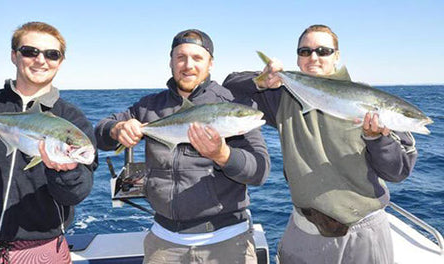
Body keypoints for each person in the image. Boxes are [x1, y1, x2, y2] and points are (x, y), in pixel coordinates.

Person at [223, 24, 417, 264]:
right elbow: (229, 85)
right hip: (305, 231)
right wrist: (261, 81)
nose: (313, 57)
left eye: (323, 51)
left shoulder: (371, 101)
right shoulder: (283, 95)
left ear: (337, 55)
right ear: (298, 57)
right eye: (304, 51)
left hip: (363, 234)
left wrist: (377, 138)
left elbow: (397, 172)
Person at [95, 29, 270, 263]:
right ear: (170, 61)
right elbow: (100, 132)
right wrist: (116, 130)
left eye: (197, 58)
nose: (188, 65)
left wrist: (222, 154)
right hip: (163, 242)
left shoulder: (231, 105)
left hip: (226, 241)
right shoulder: (149, 107)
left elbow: (260, 171)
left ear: (210, 63)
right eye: (181, 57)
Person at [0, 21, 97, 263]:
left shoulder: (72, 118)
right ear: (14, 56)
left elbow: (77, 193)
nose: (40, 60)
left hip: (43, 247)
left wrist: (65, 173)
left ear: (60, 62)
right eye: (30, 51)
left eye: (52, 54)